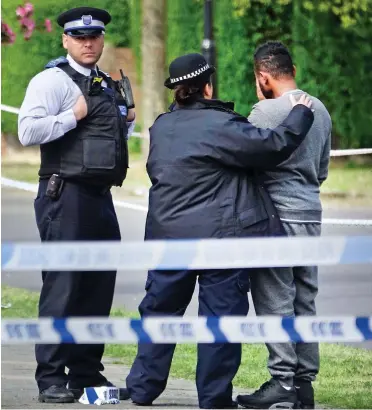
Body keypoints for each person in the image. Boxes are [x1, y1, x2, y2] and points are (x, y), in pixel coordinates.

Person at [120, 53, 314, 409]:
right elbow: (271, 147)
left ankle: (144, 389)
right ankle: (213, 400)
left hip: (168, 240)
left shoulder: (161, 127)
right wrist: (300, 112)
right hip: (221, 242)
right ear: (208, 86)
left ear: (177, 89)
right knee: (220, 322)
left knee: (160, 314)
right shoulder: (221, 125)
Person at [18, 7, 135, 404]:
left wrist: (127, 120)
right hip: (63, 193)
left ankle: (85, 372)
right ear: (66, 40)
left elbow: (110, 136)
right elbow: (28, 129)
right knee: (63, 287)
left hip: (100, 196)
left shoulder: (105, 82)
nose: (88, 43)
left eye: (95, 36)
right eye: (79, 37)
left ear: (102, 39)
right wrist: (72, 115)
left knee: (98, 289)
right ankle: (50, 376)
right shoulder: (51, 80)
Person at [236, 41, 332, 410]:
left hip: (276, 217)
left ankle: (282, 382)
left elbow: (246, 161)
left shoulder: (264, 111)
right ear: (293, 71)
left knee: (275, 300)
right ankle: (304, 384)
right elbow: (321, 170)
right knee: (305, 300)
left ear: (263, 76)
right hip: (311, 213)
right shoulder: (320, 109)